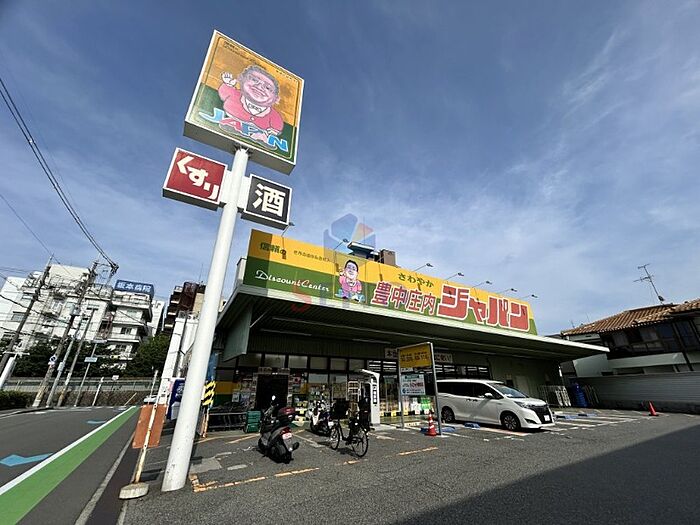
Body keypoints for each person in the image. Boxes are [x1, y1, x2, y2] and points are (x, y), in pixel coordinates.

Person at [217, 65, 284, 146]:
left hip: (259, 133)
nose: (260, 87)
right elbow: (224, 93)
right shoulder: (235, 94)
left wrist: (273, 132)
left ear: (276, 98)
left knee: (261, 137)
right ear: (242, 79)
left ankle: (262, 140)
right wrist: (228, 84)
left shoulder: (273, 114)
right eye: (254, 80)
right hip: (232, 122)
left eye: (268, 88)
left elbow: (277, 125)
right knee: (230, 123)